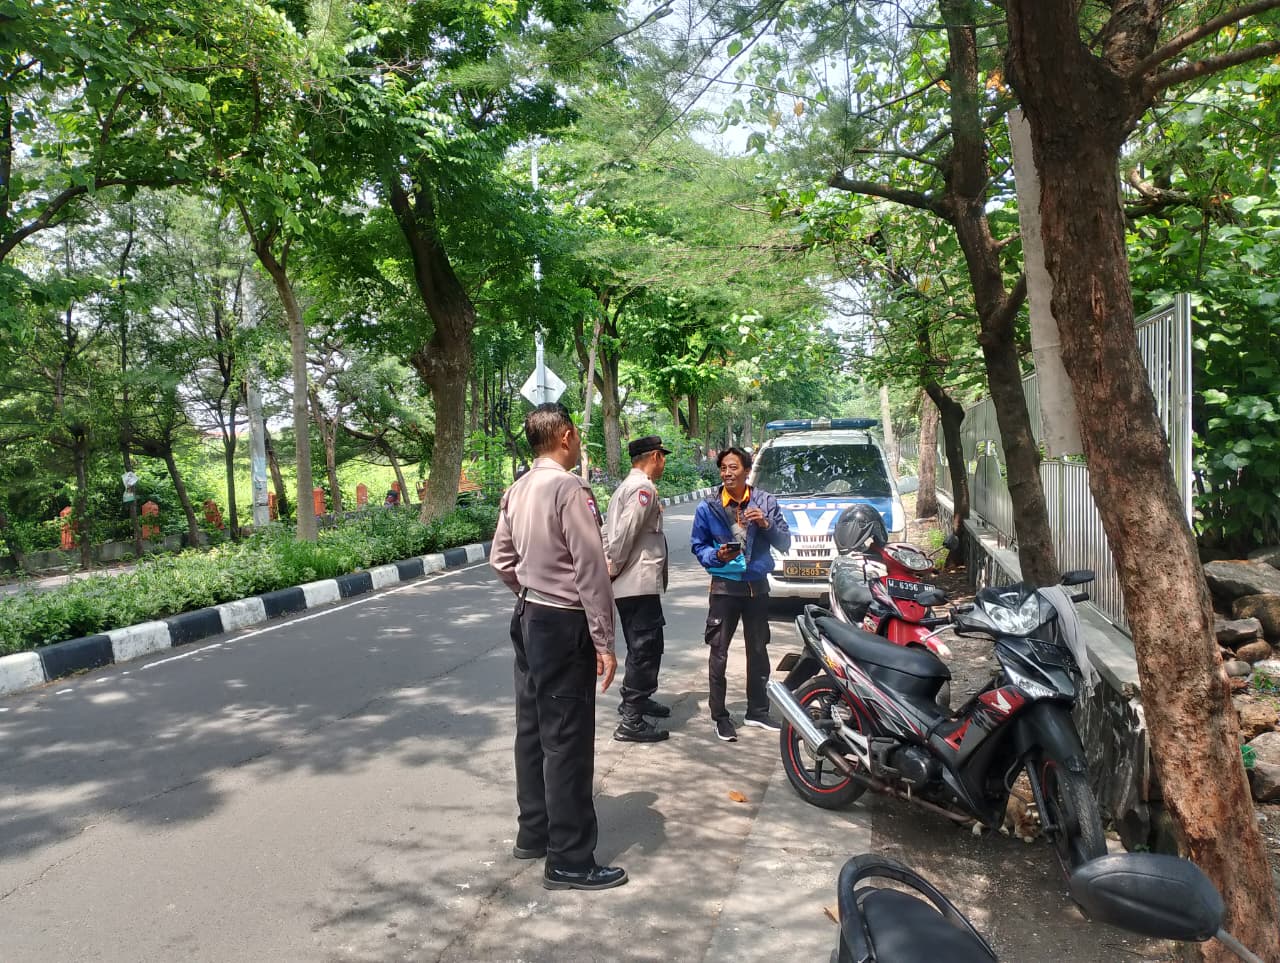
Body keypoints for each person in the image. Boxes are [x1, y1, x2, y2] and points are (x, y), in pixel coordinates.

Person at [489, 402, 628, 892]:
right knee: (566, 739)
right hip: (563, 622)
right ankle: (569, 858)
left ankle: (535, 831)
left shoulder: (518, 488)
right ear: (566, 436)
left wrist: (531, 593)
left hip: (527, 616)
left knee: (532, 729)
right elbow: (591, 569)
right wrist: (604, 640)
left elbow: (500, 558)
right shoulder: (569, 488)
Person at [690, 446, 792, 743]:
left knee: (758, 650)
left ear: (747, 471)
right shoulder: (708, 507)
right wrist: (716, 555)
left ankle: (757, 710)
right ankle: (720, 716)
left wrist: (765, 523)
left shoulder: (765, 502)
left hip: (757, 587)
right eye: (723, 468)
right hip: (724, 589)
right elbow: (699, 545)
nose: (727, 473)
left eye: (733, 467)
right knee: (718, 652)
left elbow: (785, 542)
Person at [603, 434, 673, 744]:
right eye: (663, 457)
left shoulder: (627, 486)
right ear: (655, 456)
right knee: (645, 648)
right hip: (635, 583)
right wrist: (613, 569)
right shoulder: (642, 489)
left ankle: (638, 700)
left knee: (645, 645)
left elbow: (608, 532)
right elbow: (622, 537)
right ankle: (631, 718)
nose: (664, 463)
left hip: (637, 583)